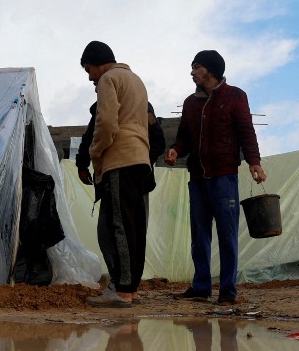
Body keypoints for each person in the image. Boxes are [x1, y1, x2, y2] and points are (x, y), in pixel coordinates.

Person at [164, 50, 266, 305]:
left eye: (196, 67)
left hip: (224, 176)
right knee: (199, 235)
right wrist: (176, 149)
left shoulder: (234, 96)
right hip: (198, 177)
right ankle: (201, 287)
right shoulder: (190, 103)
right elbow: (184, 136)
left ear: (210, 69)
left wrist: (254, 161)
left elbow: (246, 131)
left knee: (227, 234)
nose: (192, 72)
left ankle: (228, 290)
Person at [78, 40, 155, 307]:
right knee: (134, 226)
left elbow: (107, 122)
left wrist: (94, 152)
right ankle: (131, 288)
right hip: (139, 158)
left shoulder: (109, 80)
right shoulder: (136, 81)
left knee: (118, 226)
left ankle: (121, 290)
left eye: (89, 69)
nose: (90, 77)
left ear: (99, 62)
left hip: (119, 160)